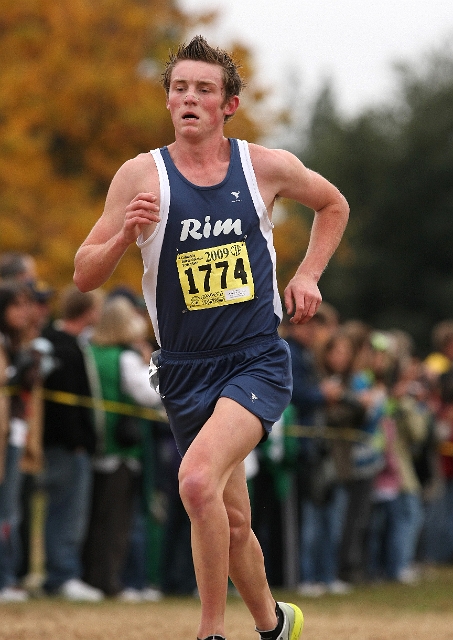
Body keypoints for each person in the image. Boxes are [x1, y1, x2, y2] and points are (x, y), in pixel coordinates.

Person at [73, 35, 349, 640]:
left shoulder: (264, 167)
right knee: (228, 517)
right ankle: (276, 624)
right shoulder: (140, 175)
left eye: (204, 89)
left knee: (195, 481)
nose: (189, 98)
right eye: (179, 89)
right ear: (168, 101)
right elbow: (84, 274)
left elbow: (332, 205)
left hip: (254, 359)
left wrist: (306, 275)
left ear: (230, 104)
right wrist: (125, 236)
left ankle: (210, 632)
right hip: (183, 369)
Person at [39, 285, 104, 601]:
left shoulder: (63, 343)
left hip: (64, 444)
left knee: (64, 511)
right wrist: (77, 441)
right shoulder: (61, 346)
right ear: (88, 310)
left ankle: (61, 573)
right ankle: (62, 575)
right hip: (66, 446)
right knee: (67, 512)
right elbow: (63, 404)